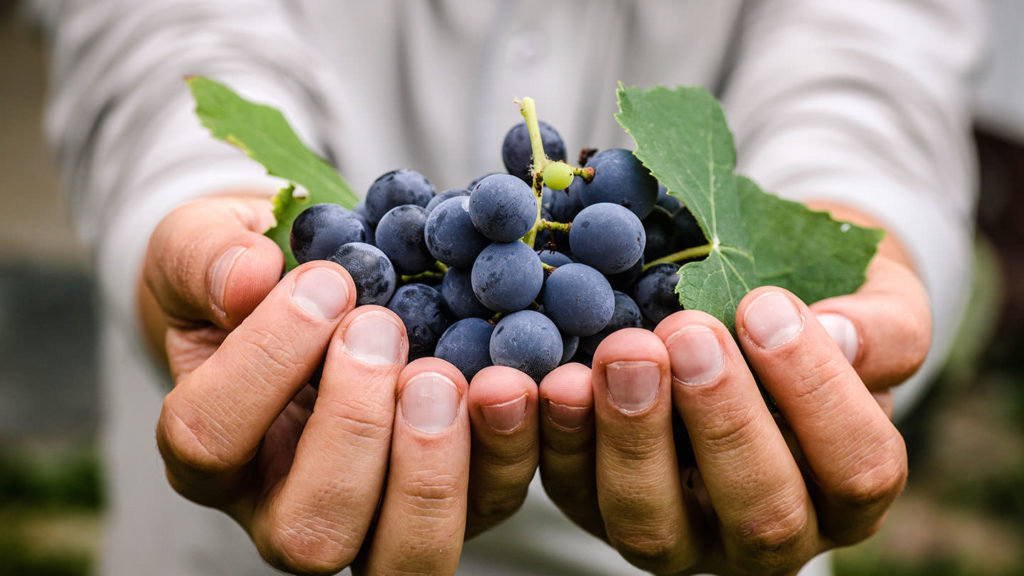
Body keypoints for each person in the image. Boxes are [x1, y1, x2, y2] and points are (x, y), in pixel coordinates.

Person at [36, 1, 985, 574]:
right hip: (264, 493)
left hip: (709, 510)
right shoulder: (450, 257)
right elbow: (165, 26)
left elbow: (869, 53)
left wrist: (863, 220)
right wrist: (194, 201)